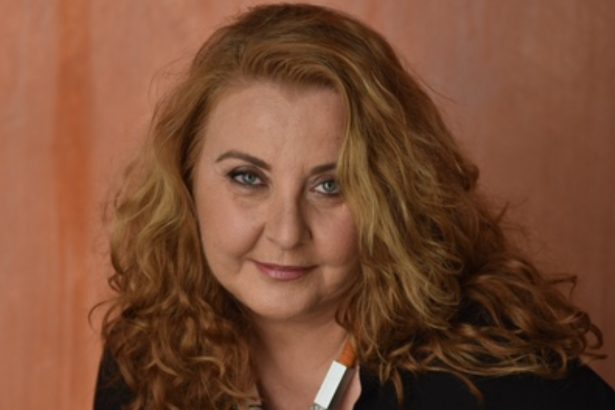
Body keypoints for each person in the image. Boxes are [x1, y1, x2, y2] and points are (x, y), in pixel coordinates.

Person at [93, 3, 615, 410]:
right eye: (247, 178)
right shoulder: (149, 357)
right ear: (185, 180)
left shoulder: (499, 383)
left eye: (331, 186)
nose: (286, 232)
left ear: (392, 196)